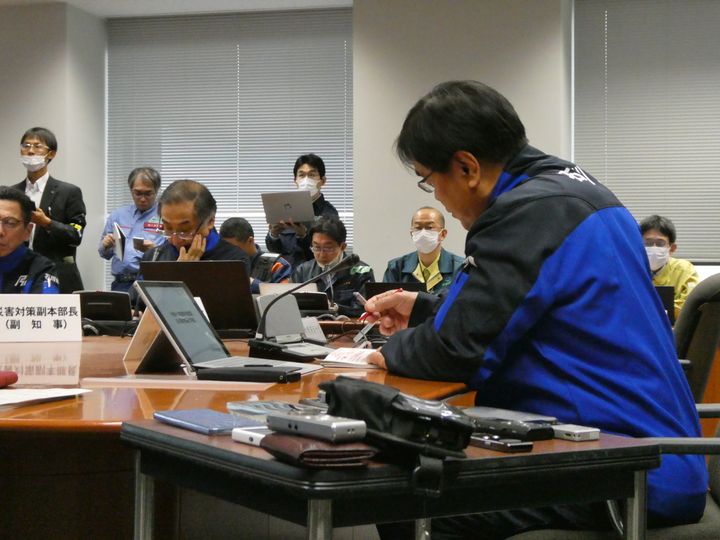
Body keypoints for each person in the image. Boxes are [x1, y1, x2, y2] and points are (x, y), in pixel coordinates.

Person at [363, 81, 707, 539]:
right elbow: (528, 313)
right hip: (659, 455)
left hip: (623, 468)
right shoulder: (576, 193)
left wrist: (387, 351)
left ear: (466, 167)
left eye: (430, 180)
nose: (436, 197)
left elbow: (457, 350)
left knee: (407, 499)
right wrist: (426, 310)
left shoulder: (524, 214)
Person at [12, 127, 86, 293]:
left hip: (56, 274)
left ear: (51, 154)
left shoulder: (69, 192)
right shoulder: (12, 193)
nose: (30, 151)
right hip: (16, 273)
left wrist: (47, 223)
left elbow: (76, 235)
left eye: (37, 146)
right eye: (26, 145)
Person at [140, 180, 249, 266]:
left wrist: (188, 273)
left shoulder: (234, 260)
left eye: (185, 231)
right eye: (168, 228)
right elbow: (137, 294)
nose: (175, 241)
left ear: (210, 221)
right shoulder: (154, 257)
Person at [291, 216, 373, 317]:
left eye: (328, 248)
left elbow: (364, 310)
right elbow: (293, 308)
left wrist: (335, 308)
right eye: (316, 247)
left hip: (349, 330)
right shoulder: (302, 271)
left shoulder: (362, 271)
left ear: (343, 247)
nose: (321, 254)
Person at [98, 167, 165, 291]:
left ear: (156, 191)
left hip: (149, 283)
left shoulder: (165, 217)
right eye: (138, 193)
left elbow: (171, 257)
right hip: (120, 283)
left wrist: (154, 251)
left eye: (148, 193)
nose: (143, 198)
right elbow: (103, 253)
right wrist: (106, 245)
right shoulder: (118, 215)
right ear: (131, 191)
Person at [265, 153, 338, 265]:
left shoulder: (329, 213)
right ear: (295, 180)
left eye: (312, 175)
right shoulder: (284, 207)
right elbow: (275, 251)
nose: (306, 180)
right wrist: (273, 235)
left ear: (323, 181)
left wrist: (303, 236)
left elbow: (325, 254)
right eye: (302, 175)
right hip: (286, 276)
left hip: (314, 276)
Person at [383, 206, 464, 294]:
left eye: (429, 227)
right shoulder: (396, 267)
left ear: (443, 234)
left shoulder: (460, 268)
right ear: (412, 234)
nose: (423, 233)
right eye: (418, 228)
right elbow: (385, 304)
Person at [0, 186, 59, 294]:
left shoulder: (41, 269)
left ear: (27, 231)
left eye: (10, 222)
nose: (0, 231)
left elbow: (46, 308)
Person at [640, 214, 699, 316]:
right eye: (648, 243)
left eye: (660, 243)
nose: (654, 248)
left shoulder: (685, 270)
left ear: (672, 248)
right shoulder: (630, 269)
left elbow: (691, 305)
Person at [219, 217, 292, 294]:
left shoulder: (278, 265)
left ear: (250, 241)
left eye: (233, 248)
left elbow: (284, 297)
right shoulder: (219, 264)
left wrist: (252, 284)